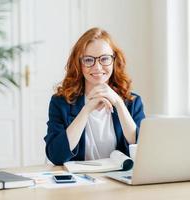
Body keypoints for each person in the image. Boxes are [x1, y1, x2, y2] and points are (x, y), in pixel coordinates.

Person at [44, 27, 145, 165]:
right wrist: (86, 110)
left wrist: (119, 103)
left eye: (104, 59)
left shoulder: (132, 102)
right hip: (80, 182)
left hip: (119, 181)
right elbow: (56, 156)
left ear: (114, 61)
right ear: (79, 63)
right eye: (88, 60)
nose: (97, 67)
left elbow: (143, 151)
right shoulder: (61, 102)